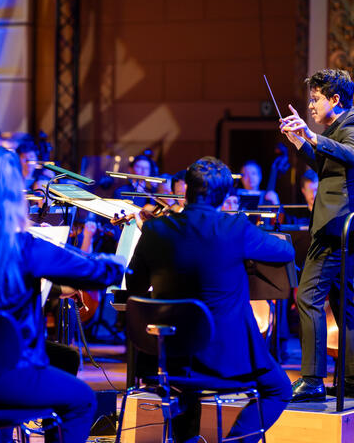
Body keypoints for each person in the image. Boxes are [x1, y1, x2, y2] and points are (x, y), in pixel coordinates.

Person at [0, 147, 126, 443]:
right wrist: (116, 261)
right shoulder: (26, 248)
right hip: (10, 375)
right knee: (83, 401)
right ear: (14, 194)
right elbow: (102, 274)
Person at [126, 156, 294, 443]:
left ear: (186, 190)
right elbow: (285, 251)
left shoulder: (154, 230)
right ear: (225, 197)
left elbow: (135, 287)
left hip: (167, 360)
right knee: (279, 390)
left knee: (184, 387)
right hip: (228, 362)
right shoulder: (235, 228)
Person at [280, 68, 354, 401]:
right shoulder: (338, 129)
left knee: (307, 298)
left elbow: (352, 154)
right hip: (342, 226)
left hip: (337, 227)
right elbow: (328, 169)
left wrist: (310, 135)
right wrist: (300, 141)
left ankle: (312, 380)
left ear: (335, 99)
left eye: (316, 99)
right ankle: (352, 379)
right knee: (342, 301)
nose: (310, 106)